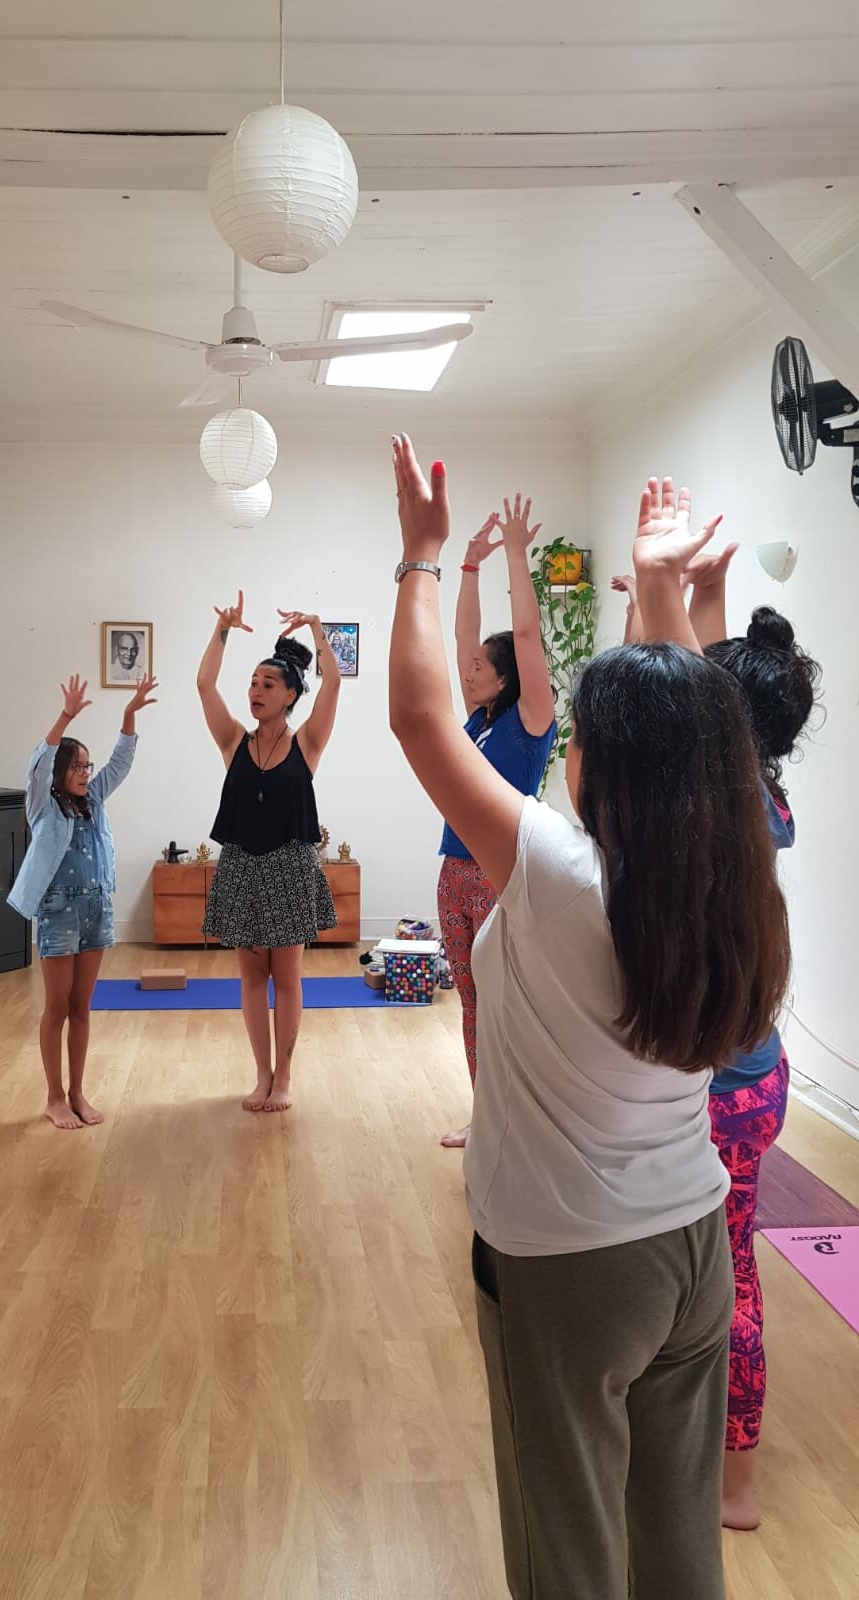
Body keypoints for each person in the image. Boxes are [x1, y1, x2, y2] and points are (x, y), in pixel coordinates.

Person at [389, 445, 791, 1600]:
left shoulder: (562, 876)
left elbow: (419, 719)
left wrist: (422, 554)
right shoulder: (733, 866)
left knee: (568, 1558)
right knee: (676, 1548)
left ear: (598, 767)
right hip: (692, 1244)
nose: (565, 749)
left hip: (572, 1269)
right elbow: (697, 738)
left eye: (577, 738)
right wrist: (658, 588)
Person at [679, 555, 819, 1532]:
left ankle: (734, 1482)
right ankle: (715, 1465)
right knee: (719, 1267)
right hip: (753, 1075)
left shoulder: (713, 807)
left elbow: (693, 695)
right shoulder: (761, 794)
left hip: (721, 1089)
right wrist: (704, 591)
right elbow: (711, 688)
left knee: (723, 1280)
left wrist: (673, 598)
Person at [438, 497, 556, 1148]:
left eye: (483, 664)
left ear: (509, 677)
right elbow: (463, 639)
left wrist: (515, 555)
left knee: (507, 1002)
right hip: (455, 872)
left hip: (500, 875)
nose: (470, 667)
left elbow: (529, 639)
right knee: (472, 1000)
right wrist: (468, 566)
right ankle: (487, 1115)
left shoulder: (529, 722)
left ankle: (521, 1120)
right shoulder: (478, 720)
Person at [197, 593, 340, 1113]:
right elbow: (205, 685)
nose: (255, 691)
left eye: (267, 684)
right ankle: (262, 1074)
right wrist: (222, 631)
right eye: (253, 683)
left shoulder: (308, 743)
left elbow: (334, 683)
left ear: (290, 694)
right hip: (241, 865)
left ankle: (284, 1078)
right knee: (252, 977)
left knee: (288, 977)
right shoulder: (234, 741)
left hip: (290, 867)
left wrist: (318, 628)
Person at [7, 670, 158, 1130]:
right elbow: (38, 763)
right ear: (59, 773)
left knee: (81, 1006)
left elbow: (121, 762)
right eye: (75, 767)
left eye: (86, 767)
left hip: (96, 908)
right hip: (59, 910)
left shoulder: (95, 797)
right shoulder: (43, 806)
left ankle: (76, 1092)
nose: (84, 774)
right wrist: (65, 716)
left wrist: (129, 714)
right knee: (56, 1007)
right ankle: (54, 1097)